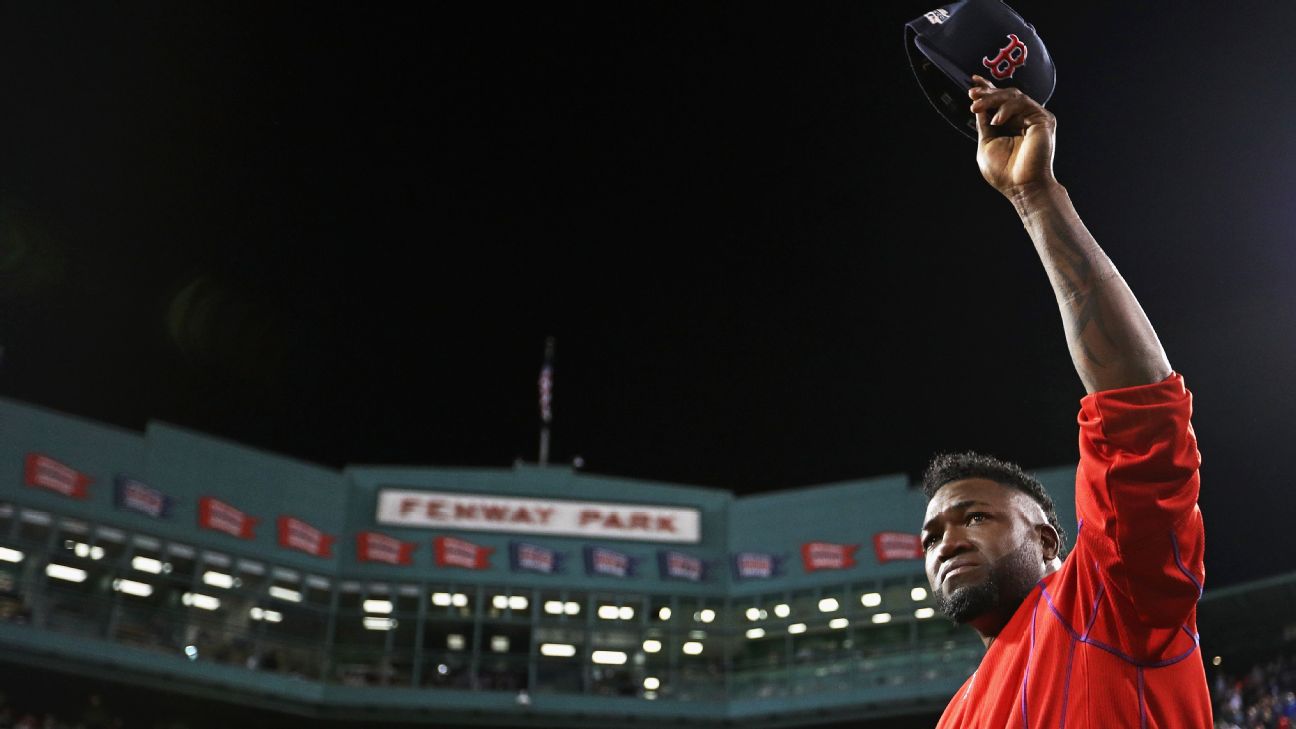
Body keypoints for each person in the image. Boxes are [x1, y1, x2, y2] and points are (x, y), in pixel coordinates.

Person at [918, 75, 1211, 727]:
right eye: (932, 532)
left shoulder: (1114, 595)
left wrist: (1035, 197)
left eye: (974, 517)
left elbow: (1140, 409)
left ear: (1049, 538)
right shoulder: (957, 716)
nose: (945, 541)